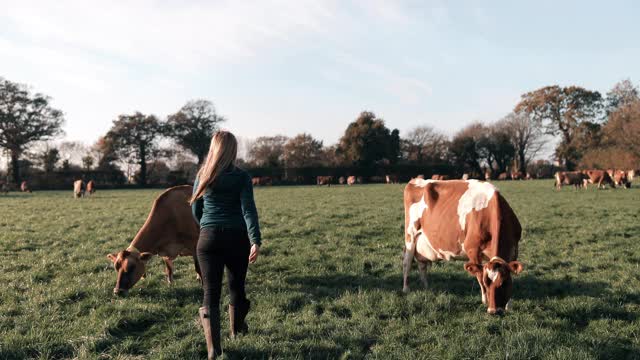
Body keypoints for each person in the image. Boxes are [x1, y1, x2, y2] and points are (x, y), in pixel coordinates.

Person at [190, 131, 262, 359]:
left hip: (208, 240)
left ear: (214, 148)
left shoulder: (203, 174)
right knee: (236, 287)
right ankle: (236, 330)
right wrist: (255, 240)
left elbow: (195, 209)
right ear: (233, 150)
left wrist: (207, 227)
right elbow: (248, 210)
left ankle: (213, 349)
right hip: (237, 238)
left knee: (210, 292)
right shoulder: (241, 176)